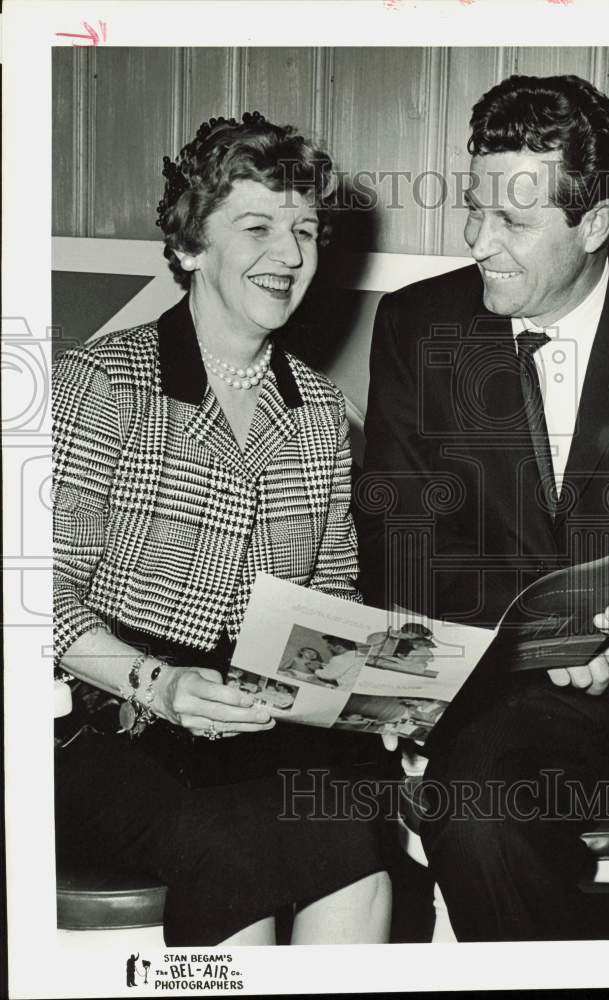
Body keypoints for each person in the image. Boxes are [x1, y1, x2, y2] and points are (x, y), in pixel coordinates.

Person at [357, 75, 609, 940]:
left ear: (597, 225)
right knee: (470, 810)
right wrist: (542, 648)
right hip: (517, 705)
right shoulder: (418, 327)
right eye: (474, 209)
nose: (478, 242)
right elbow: (397, 542)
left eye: (514, 221)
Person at [53, 112, 391, 946]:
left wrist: (375, 691)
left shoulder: (317, 412)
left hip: (257, 720)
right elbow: (33, 594)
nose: (290, 252)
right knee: (235, 835)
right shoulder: (103, 380)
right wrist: (158, 685)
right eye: (258, 226)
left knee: (351, 821)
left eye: (305, 228)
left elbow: (333, 596)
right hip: (108, 715)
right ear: (190, 247)